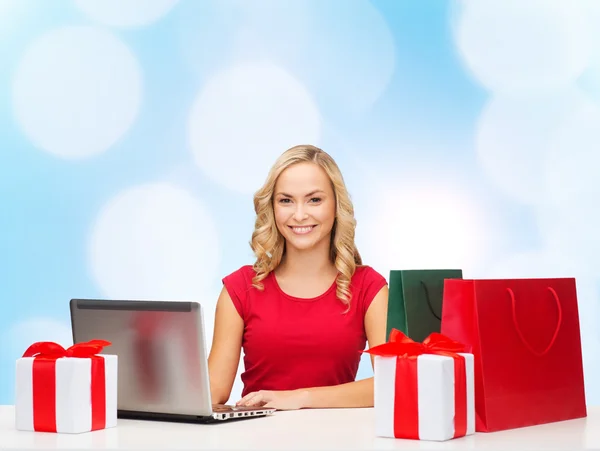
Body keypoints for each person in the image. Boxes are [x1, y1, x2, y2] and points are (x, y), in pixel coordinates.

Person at [207, 144, 389, 410]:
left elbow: (393, 383)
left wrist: (299, 398)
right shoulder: (240, 289)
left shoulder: (368, 288)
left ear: (336, 206)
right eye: (286, 200)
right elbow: (211, 394)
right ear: (272, 208)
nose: (300, 214)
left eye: (314, 200)